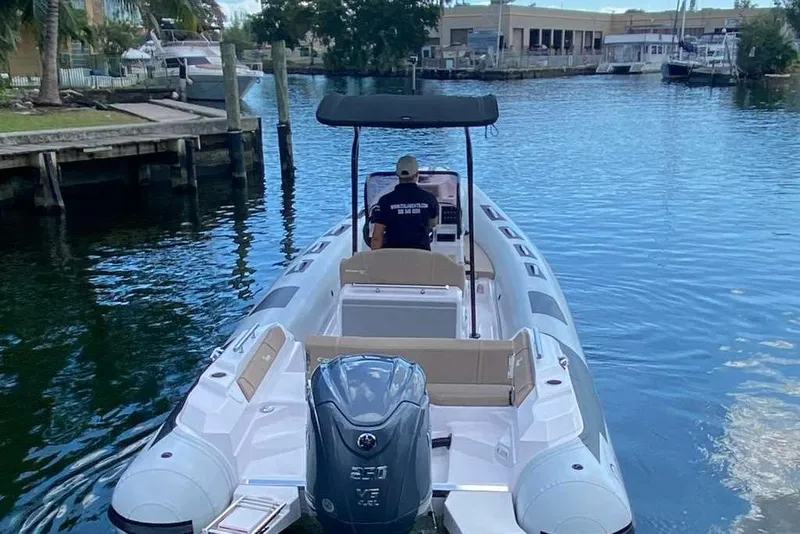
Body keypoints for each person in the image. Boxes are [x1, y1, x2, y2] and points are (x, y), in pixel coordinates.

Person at [371, 155, 439, 251]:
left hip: (394, 255)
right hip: (422, 255)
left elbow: (377, 238)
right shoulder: (429, 199)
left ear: (397, 174)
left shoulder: (385, 201)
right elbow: (433, 224)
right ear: (417, 174)